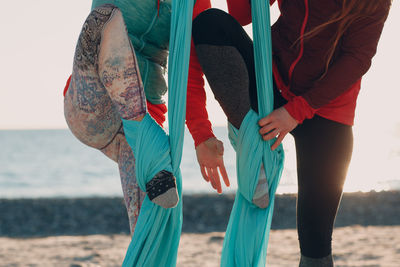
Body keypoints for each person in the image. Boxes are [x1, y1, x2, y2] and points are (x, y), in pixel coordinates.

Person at [191, 0, 392, 266]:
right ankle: (253, 147)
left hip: (327, 111)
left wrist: (296, 111)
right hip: (271, 82)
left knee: (316, 249)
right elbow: (242, 15)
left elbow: (357, 59)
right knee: (210, 23)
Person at [63, 0, 233, 235]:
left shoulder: (192, 4)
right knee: (103, 19)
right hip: (94, 109)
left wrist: (202, 136)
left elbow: (188, 71)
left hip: (141, 132)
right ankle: (148, 152)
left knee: (149, 226)